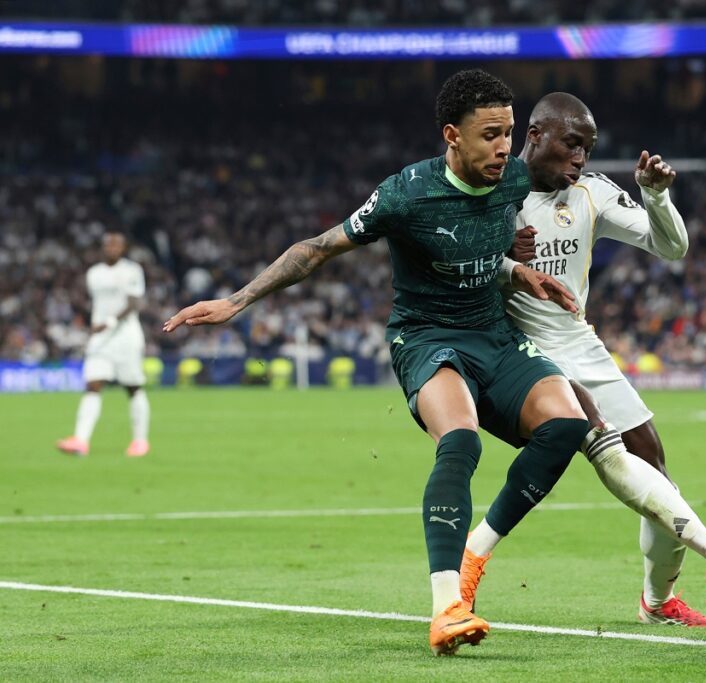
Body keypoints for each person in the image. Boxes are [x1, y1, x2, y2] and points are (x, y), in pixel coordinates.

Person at [162, 70, 591, 656]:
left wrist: (518, 269)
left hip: (492, 333)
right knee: (461, 442)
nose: (503, 149)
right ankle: (446, 607)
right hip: (425, 337)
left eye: (509, 133)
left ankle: (474, 551)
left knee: (567, 425)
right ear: (451, 135)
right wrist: (236, 301)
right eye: (489, 135)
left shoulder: (516, 178)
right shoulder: (406, 194)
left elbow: (501, 237)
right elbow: (316, 249)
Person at [460, 93, 706, 626]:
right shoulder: (495, 191)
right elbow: (453, 264)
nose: (581, 159)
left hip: (579, 343)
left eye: (588, 148)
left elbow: (672, 248)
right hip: (519, 351)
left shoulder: (593, 195)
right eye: (572, 144)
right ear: (536, 135)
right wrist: (503, 261)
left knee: (655, 465)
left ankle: (657, 603)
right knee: (601, 444)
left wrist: (656, 197)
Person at [57, 232, 151, 458]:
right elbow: (96, 302)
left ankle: (140, 441)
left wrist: (108, 322)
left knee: (133, 387)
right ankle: (80, 440)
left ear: (123, 247)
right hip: (100, 339)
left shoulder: (132, 270)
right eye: (108, 244)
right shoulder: (94, 273)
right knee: (92, 385)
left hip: (126, 337)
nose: (111, 248)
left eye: (116, 244)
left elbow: (134, 303)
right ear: (102, 248)